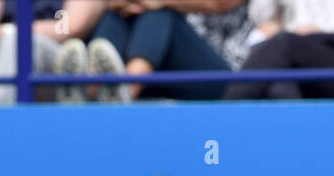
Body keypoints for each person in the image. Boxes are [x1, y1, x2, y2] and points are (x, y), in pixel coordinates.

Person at [56, 0, 234, 103]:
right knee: (121, 13)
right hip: (162, 66)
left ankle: (114, 89)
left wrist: (159, 1)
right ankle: (101, 87)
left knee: (160, 13)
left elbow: (219, 3)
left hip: (231, 78)